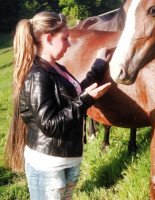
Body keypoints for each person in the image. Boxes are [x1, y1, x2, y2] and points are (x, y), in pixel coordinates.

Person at [4, 11, 111, 199]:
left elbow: (74, 92)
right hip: (48, 165)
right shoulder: (37, 75)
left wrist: (98, 66)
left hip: (68, 159)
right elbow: (50, 124)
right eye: (65, 39)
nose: (69, 45)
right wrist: (86, 100)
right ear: (49, 39)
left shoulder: (57, 68)